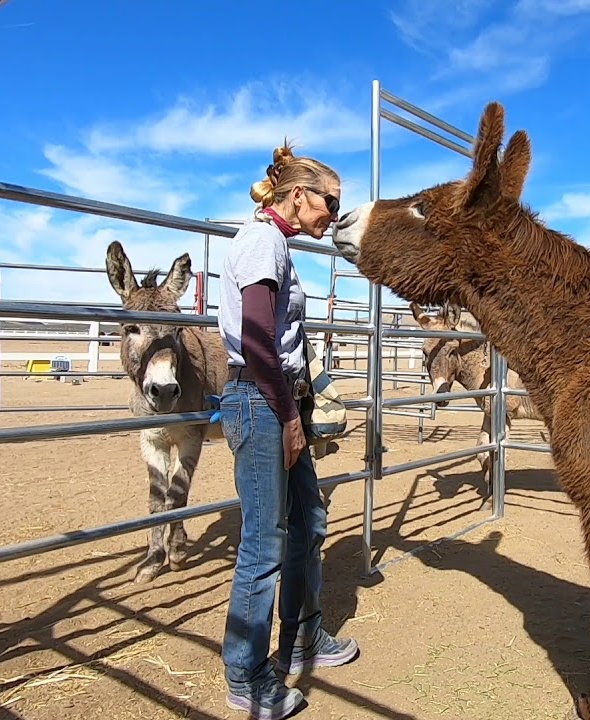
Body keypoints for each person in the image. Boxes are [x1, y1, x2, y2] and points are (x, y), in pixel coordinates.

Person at [216, 142, 358, 718]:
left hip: (274, 398)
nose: (334, 214)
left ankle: (301, 639)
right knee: (263, 543)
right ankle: (246, 679)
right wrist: (290, 415)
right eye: (331, 201)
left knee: (310, 521)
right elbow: (255, 339)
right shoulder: (260, 242)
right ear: (299, 196)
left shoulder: (275, 244)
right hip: (262, 402)